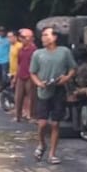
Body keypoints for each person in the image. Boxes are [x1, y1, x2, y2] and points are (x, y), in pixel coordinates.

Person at [30, 26, 77, 164]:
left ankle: (52, 154)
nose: (43, 38)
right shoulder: (38, 54)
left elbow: (73, 68)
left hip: (59, 90)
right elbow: (32, 72)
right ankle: (42, 144)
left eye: (46, 35)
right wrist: (39, 83)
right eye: (43, 35)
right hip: (44, 91)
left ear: (55, 37)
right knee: (43, 123)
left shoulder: (64, 52)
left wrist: (67, 78)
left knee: (55, 123)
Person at [14, 29, 37, 123]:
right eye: (21, 37)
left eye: (24, 37)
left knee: (32, 97)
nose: (21, 39)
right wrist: (15, 77)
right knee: (18, 97)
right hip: (21, 75)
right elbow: (19, 64)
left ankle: (32, 116)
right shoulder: (21, 50)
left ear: (30, 38)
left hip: (30, 76)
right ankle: (18, 116)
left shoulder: (34, 50)